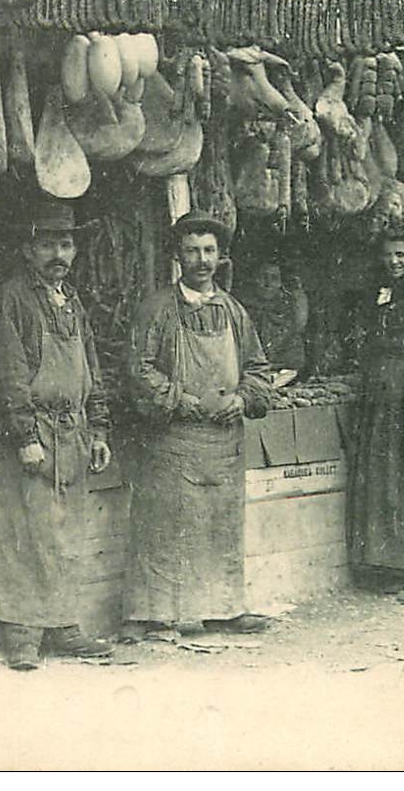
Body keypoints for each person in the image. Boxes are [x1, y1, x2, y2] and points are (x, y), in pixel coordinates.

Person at [0, 200, 115, 671]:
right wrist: (25, 435)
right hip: (29, 436)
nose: (59, 253)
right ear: (27, 249)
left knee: (63, 535)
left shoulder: (71, 301)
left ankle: (62, 624)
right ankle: (21, 636)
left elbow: (90, 370)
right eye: (48, 244)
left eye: (66, 243)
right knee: (23, 534)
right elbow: (7, 374)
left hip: (71, 433)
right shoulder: (9, 300)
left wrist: (97, 428)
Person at [125, 211, 274, 636]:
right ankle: (151, 615)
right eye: (192, 251)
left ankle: (223, 609)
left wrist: (244, 398)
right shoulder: (156, 308)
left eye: (209, 250)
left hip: (223, 444)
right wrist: (177, 399)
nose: (202, 260)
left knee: (220, 528)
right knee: (164, 527)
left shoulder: (234, 311)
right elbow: (138, 368)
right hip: (173, 439)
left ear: (220, 256)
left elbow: (259, 368)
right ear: (178, 257)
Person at [345, 227, 404, 589]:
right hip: (380, 389)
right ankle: (380, 564)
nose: (394, 262)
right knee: (380, 474)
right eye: (388, 255)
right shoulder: (378, 290)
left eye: (401, 255)